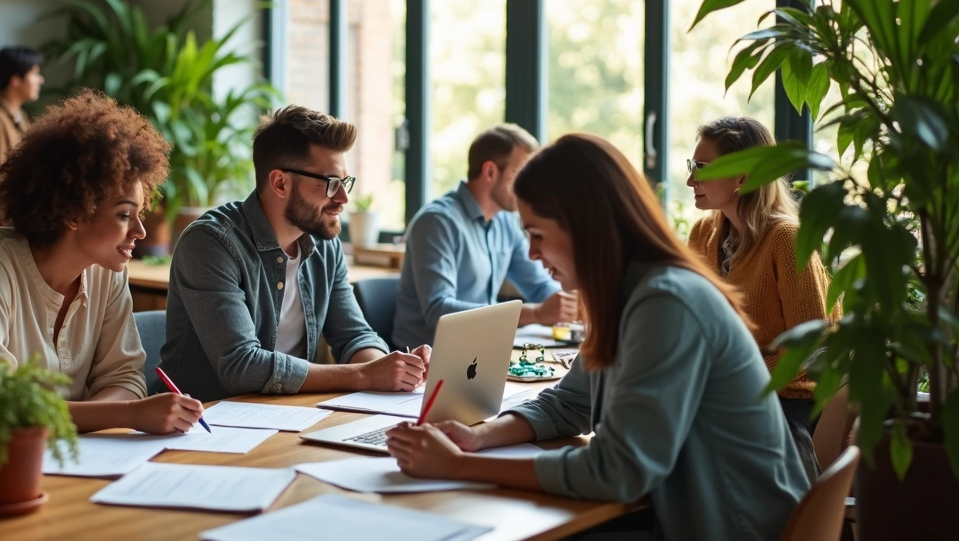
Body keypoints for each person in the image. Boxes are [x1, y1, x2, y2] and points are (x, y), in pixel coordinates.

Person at [386, 134, 810, 541]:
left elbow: (619, 471)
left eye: (536, 235)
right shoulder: (625, 294)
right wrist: (476, 437)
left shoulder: (665, 303)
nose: (532, 254)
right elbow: (571, 401)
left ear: (584, 227)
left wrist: (459, 467)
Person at [0, 90, 202, 457]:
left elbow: (124, 378)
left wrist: (111, 416)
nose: (140, 232)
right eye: (123, 215)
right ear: (73, 211)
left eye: (139, 213)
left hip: (58, 456)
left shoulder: (107, 271)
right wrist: (128, 414)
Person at [156, 104, 432, 402]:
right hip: (203, 426)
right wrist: (365, 374)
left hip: (291, 417)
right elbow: (242, 366)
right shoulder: (210, 243)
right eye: (331, 184)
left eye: (345, 182)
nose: (343, 198)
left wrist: (392, 368)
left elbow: (354, 335)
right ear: (280, 183)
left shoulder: (325, 244)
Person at [686, 116, 835, 480]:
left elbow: (813, 348)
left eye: (702, 168)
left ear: (743, 176)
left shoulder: (786, 239)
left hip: (787, 402)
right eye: (691, 166)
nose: (691, 180)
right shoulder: (704, 233)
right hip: (725, 395)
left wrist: (734, 380)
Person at [393, 124, 576, 350]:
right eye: (519, 175)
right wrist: (535, 313)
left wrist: (567, 306)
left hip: (481, 353)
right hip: (427, 365)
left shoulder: (506, 221)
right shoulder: (437, 222)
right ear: (490, 172)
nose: (529, 188)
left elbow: (538, 286)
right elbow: (439, 311)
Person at [0, 45, 44, 230]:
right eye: (34, 73)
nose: (41, 80)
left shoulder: (19, 117)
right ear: (15, 80)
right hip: (5, 236)